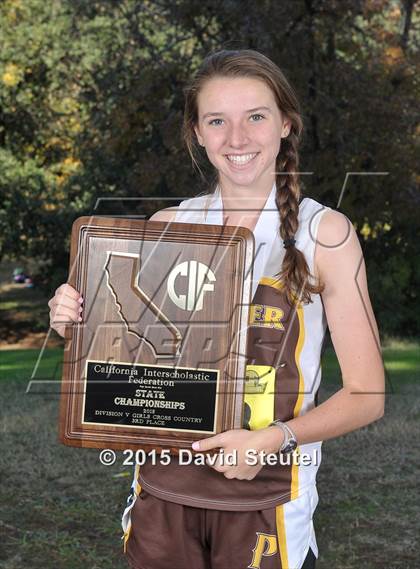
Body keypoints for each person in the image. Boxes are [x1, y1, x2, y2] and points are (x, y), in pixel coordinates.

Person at [48, 49, 385, 569]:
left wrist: (272, 439)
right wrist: (77, 325)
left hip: (266, 499)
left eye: (255, 116)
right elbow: (124, 372)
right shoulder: (165, 225)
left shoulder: (327, 234)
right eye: (216, 121)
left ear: (286, 124)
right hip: (163, 492)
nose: (237, 138)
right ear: (198, 134)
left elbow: (367, 395)